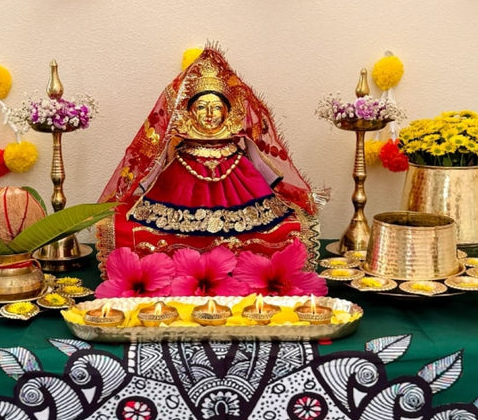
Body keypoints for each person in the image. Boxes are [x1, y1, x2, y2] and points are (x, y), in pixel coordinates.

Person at [96, 46, 320, 263]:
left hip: (239, 179)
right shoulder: (179, 134)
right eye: (202, 107)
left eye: (216, 107)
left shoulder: (239, 135)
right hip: (183, 178)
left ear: (228, 111)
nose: (210, 114)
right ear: (190, 112)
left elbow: (261, 160)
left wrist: (278, 183)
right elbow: (154, 158)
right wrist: (141, 185)